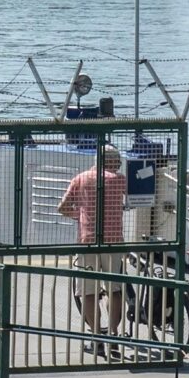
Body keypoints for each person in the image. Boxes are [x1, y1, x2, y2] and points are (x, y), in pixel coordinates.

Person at [58, 140, 130, 351]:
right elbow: (137, 199)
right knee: (114, 290)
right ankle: (114, 336)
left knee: (88, 292)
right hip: (113, 242)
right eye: (117, 162)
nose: (119, 165)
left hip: (87, 240)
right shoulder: (120, 180)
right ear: (112, 162)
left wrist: (81, 216)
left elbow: (62, 207)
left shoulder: (80, 178)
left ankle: (97, 338)